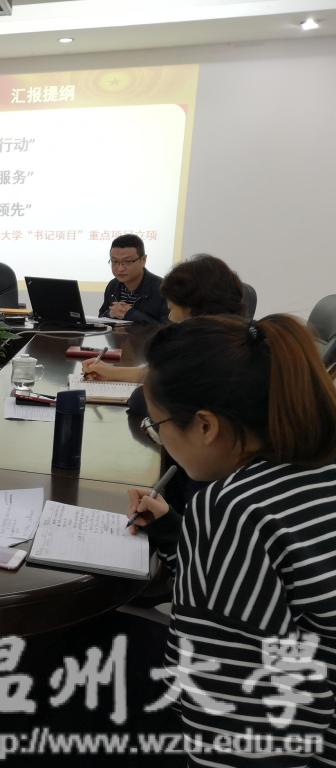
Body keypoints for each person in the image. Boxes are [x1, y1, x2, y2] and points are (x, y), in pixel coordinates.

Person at [126, 314, 336, 766]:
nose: (159, 438)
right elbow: (268, 594)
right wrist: (174, 532)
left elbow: (233, 719)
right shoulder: (315, 467)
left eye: (156, 426)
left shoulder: (233, 508)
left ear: (205, 425)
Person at [84, 253, 246, 383]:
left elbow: (160, 382)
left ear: (192, 308)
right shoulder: (231, 341)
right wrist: (110, 371)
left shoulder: (205, 354)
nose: (170, 316)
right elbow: (159, 372)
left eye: (172, 307)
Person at [97, 233, 169, 325]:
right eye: (115, 261)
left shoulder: (162, 289)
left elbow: (169, 327)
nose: (120, 268)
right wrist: (110, 313)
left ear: (143, 260)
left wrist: (131, 314)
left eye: (127, 262)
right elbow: (101, 318)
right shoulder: (113, 285)